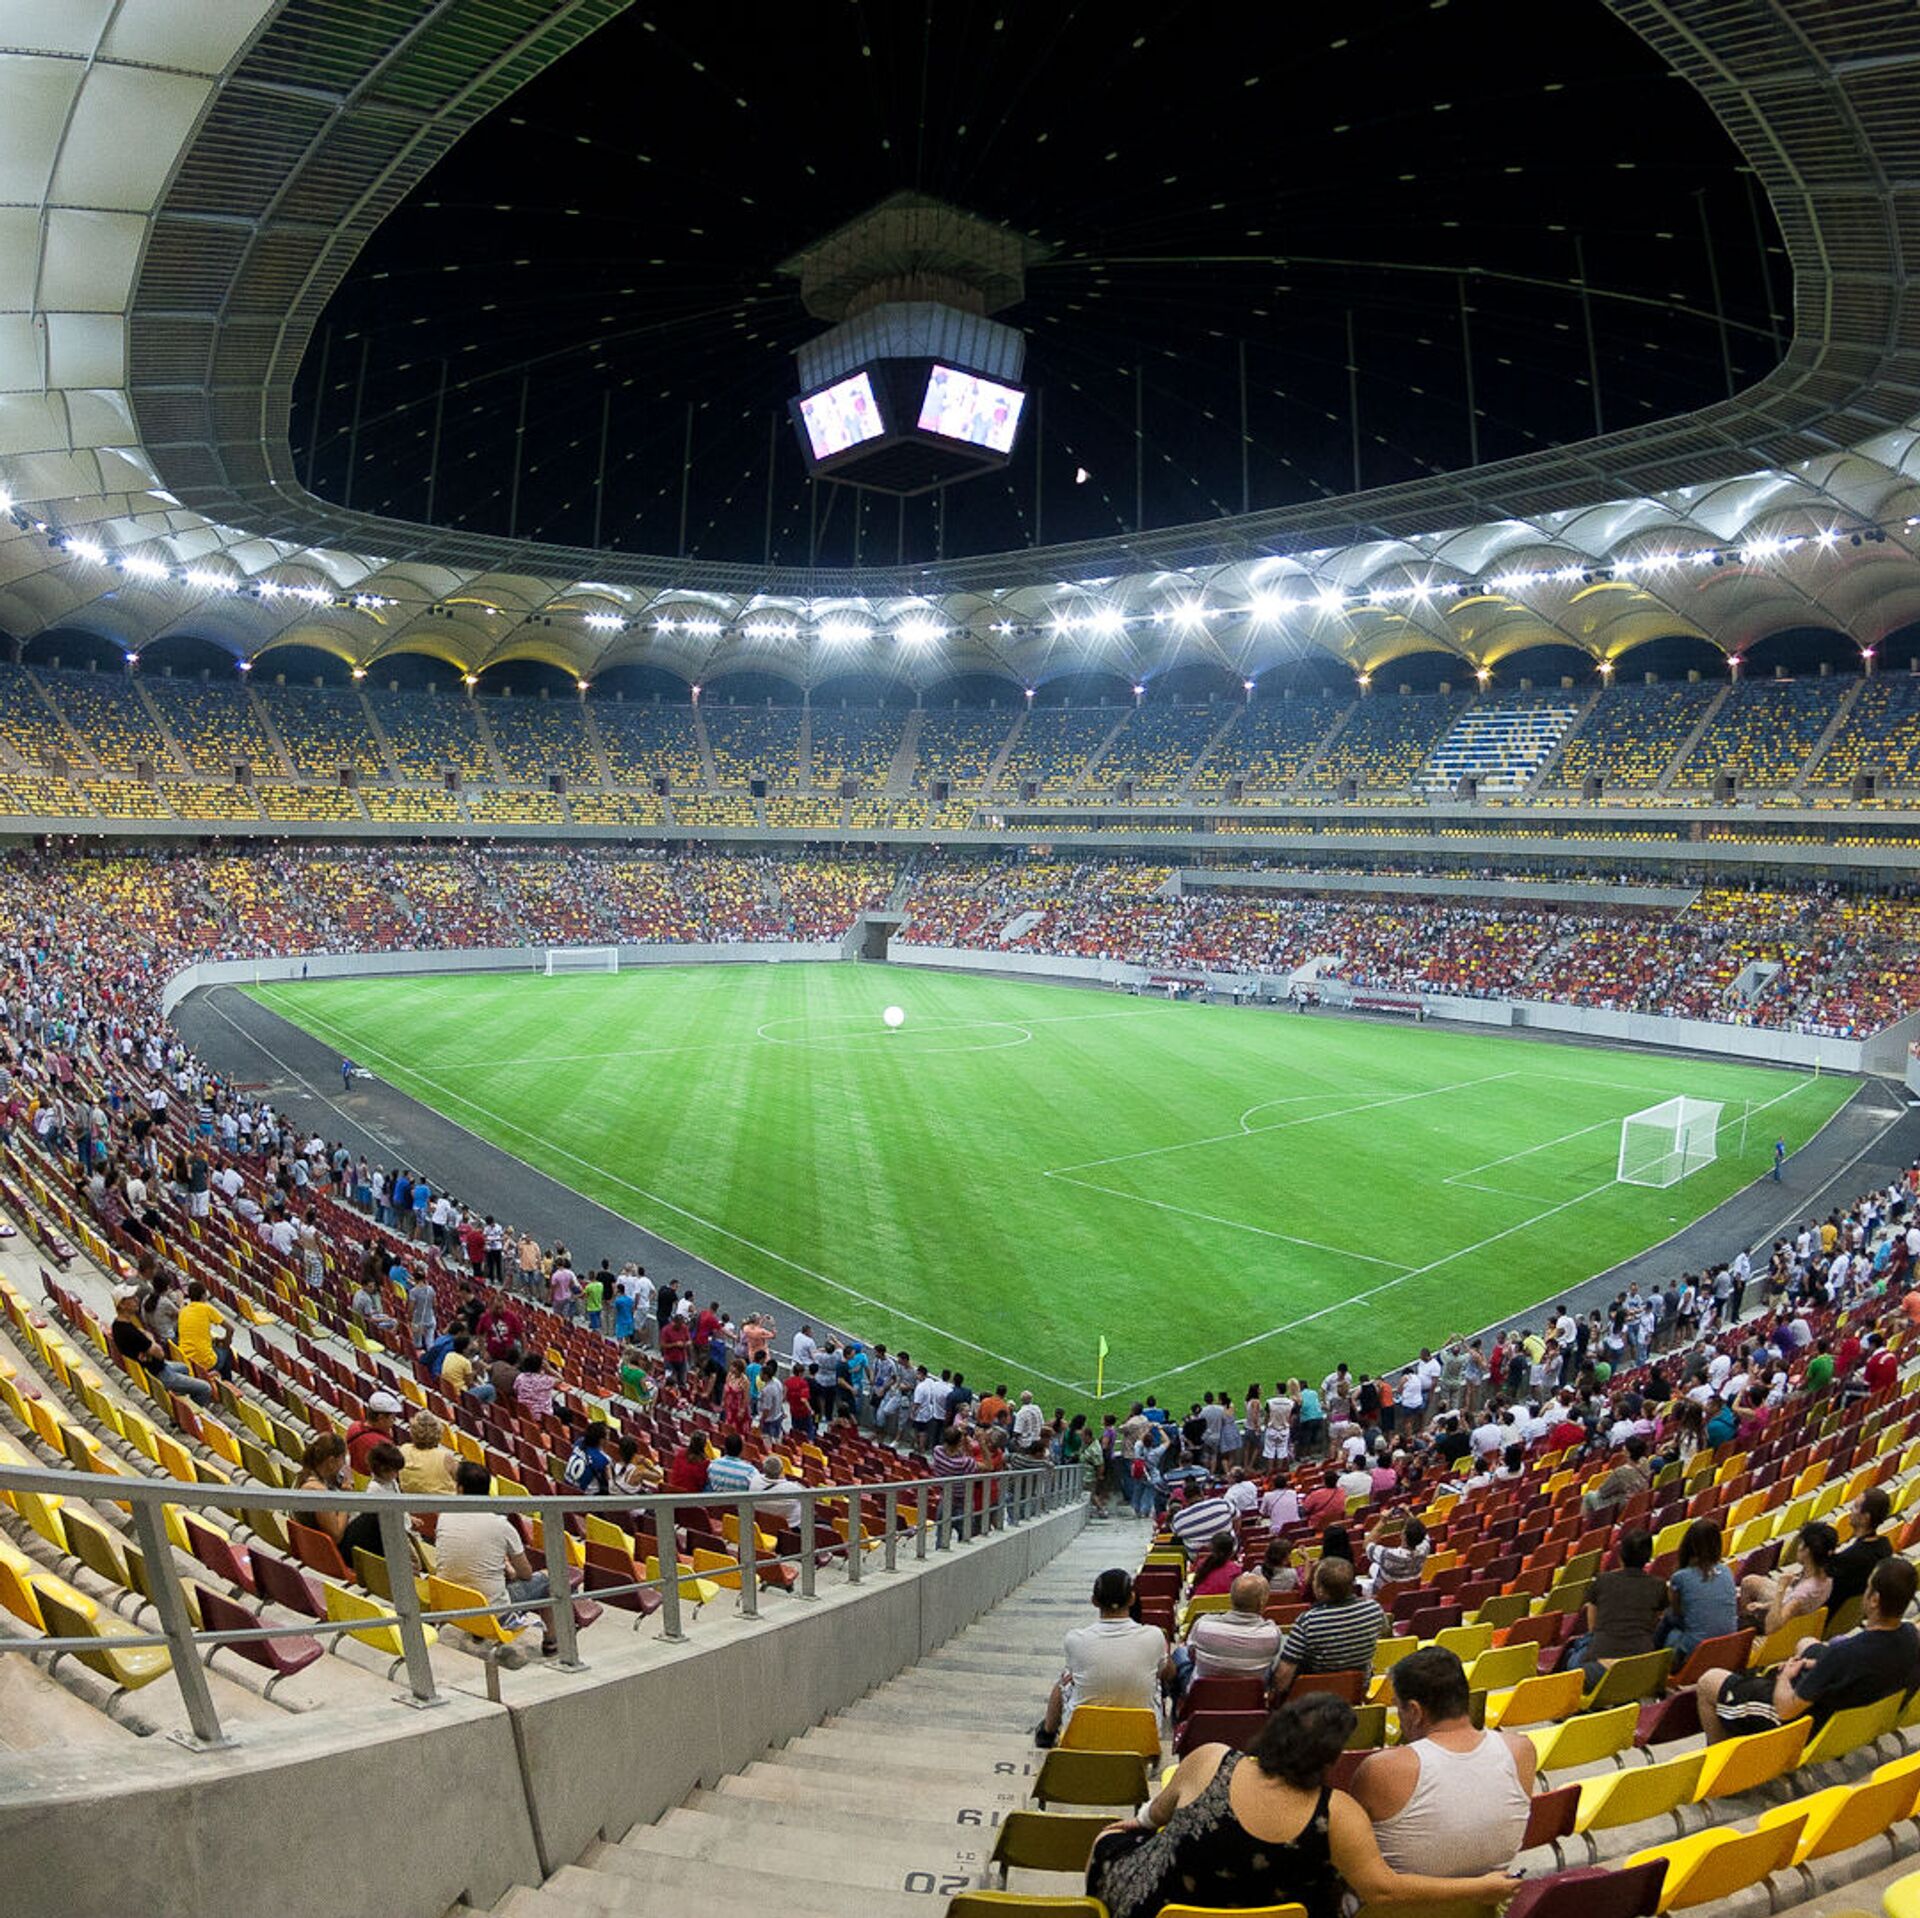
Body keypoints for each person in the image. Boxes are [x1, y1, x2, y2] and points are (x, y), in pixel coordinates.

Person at [1087, 1695, 1521, 1918]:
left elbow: (1152, 1817)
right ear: (1330, 1757)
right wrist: (1480, 1888)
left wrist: (1125, 1828)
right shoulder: (1339, 1813)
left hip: (1168, 1909)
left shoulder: (1210, 1758)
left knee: (1111, 1841)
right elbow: (1384, 1889)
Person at [1350, 1647, 1536, 1875]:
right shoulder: (1521, 1750)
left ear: (1415, 1711)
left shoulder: (1382, 1769)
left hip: (1402, 1897)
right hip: (1489, 1896)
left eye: (1397, 1706)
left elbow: (1349, 1849)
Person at [1701, 1555, 1920, 1740]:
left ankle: (1720, 1757)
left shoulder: (1844, 1653)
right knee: (1806, 1643)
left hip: (1804, 1722)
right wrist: (1819, 1664)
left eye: (1868, 1586)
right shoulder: (1912, 1637)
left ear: (1874, 1600)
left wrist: (1786, 1676)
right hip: (1848, 1713)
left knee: (1709, 1681)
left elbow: (1786, 1709)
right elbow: (1854, 1667)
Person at [1036, 1567, 1171, 1749]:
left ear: (1094, 1601)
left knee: (1066, 1678)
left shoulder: (1075, 1639)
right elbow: (1167, 1672)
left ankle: (1047, 1733)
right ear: (1132, 1599)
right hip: (1142, 1743)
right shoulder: (1154, 1635)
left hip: (1083, 1741)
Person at [434, 1459, 555, 1659]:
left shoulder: (444, 1516)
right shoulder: (501, 1526)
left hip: (451, 1604)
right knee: (550, 1579)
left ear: (460, 1489)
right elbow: (525, 1574)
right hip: (491, 1612)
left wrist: (504, 1567)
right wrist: (510, 1570)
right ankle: (553, 1643)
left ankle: (478, 1632)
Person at [1269, 1555, 1386, 1701]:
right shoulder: (1374, 1609)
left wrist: (1275, 1697)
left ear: (1320, 1590)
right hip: (1357, 1691)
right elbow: (1384, 1634)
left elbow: (1284, 1675)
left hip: (1316, 1696)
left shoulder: (1308, 1621)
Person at [1568, 1527, 1667, 1684]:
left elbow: (1592, 1628)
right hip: (1641, 1666)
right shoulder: (1659, 1586)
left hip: (1599, 1667)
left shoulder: (1601, 1581)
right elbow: (1655, 1624)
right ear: (1648, 1557)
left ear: (1620, 1556)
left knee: (1572, 1656)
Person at [1177, 1572, 1282, 1692]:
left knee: (1179, 1652)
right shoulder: (1272, 1634)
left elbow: (1192, 1655)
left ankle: (1178, 1702)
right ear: (1262, 1603)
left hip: (1203, 1695)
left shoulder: (1203, 1625)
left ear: (1230, 1599)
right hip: (1249, 1696)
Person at [1739, 1521, 1837, 1635]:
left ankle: (1745, 1631)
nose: (1798, 1547)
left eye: (1801, 1544)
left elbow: (1772, 1627)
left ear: (1807, 1550)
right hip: (1800, 1609)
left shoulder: (1802, 1594)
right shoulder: (1827, 1575)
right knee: (1750, 1582)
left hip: (1783, 1627)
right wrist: (1764, 1606)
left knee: (1747, 1582)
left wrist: (1781, 1588)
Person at [1661, 1519, 1739, 1659]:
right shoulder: (1727, 1571)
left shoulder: (1680, 1577)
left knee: (1669, 1625)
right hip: (1727, 1645)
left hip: (1697, 1650)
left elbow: (1677, 1613)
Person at [1826, 1487, 1894, 1618]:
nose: (1850, 1510)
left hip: (1826, 1616)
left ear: (1865, 1518)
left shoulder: (1850, 1559)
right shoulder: (1885, 1547)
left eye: (1856, 1507)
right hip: (1850, 1619)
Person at [294, 1433, 349, 1542]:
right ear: (331, 1461)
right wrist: (346, 1499)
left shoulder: (304, 1475)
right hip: (328, 1548)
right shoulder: (317, 1491)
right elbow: (336, 1535)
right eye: (343, 1459)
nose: (344, 1464)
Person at [397, 1411, 459, 1495]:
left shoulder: (404, 1450)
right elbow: (459, 1481)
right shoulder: (445, 1457)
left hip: (410, 1501)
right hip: (443, 1501)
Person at [564, 1420, 613, 1496]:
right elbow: (611, 1487)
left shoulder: (579, 1443)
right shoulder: (604, 1460)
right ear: (601, 1440)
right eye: (608, 1437)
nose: (609, 1440)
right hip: (586, 1498)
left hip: (566, 1489)